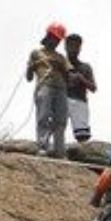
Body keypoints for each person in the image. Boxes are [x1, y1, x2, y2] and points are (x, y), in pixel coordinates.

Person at [25, 22, 71, 157]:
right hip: (45, 86)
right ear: (48, 36)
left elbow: (69, 73)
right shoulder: (36, 53)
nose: (56, 42)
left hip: (61, 89)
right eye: (55, 38)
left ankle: (59, 150)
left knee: (61, 120)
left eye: (58, 40)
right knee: (43, 116)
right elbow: (28, 77)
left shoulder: (61, 57)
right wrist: (30, 67)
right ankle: (43, 147)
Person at [65, 33, 97, 142]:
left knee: (82, 134)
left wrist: (81, 78)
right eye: (71, 45)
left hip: (79, 101)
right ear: (66, 46)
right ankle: (54, 149)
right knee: (56, 127)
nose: (73, 49)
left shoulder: (85, 67)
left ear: (80, 48)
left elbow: (93, 88)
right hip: (61, 99)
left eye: (76, 46)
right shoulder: (59, 63)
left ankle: (83, 154)